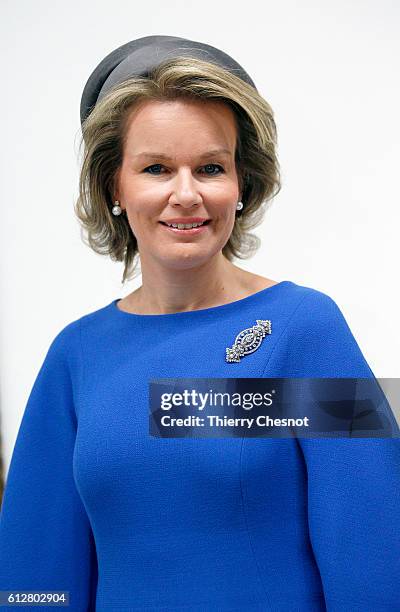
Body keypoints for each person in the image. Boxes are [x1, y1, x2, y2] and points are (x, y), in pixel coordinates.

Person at [0, 35, 399, 612]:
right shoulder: (76, 355)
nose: (185, 194)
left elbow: (377, 560)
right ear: (116, 186)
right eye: (156, 168)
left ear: (241, 186)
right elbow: (34, 582)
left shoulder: (306, 329)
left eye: (210, 168)